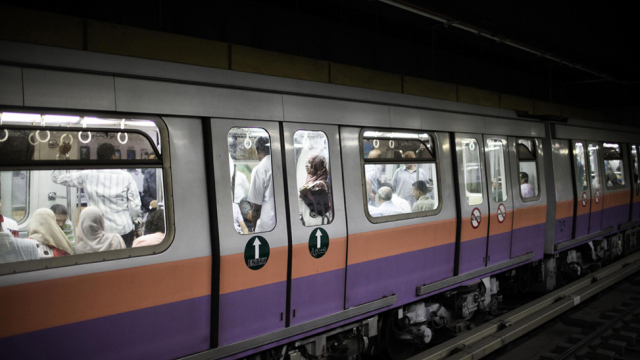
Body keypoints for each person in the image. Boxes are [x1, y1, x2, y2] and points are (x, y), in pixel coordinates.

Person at [52, 143, 142, 247]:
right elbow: (135, 207)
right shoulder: (126, 177)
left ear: (98, 157)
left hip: (96, 232)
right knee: (123, 261)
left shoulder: (87, 175)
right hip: (122, 230)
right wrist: (137, 227)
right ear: (114, 156)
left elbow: (57, 177)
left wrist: (61, 155)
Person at [247, 137, 276, 232]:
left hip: (267, 225)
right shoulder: (279, 164)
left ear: (258, 150)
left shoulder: (260, 169)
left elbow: (256, 208)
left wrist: (255, 230)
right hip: (285, 222)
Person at [299, 154, 332, 226]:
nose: (306, 165)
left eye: (309, 163)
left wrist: (304, 196)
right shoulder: (311, 181)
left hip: (316, 225)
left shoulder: (321, 185)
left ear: (317, 166)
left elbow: (322, 209)